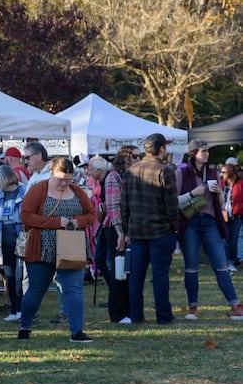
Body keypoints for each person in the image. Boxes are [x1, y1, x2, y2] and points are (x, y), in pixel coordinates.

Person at [15, 157, 97, 343]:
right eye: (61, 179)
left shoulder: (77, 191)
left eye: (68, 179)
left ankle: (77, 332)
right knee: (36, 289)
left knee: (73, 289)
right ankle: (25, 326)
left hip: (70, 246)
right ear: (51, 172)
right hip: (41, 248)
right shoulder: (38, 189)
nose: (64, 183)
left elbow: (91, 214)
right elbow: (26, 216)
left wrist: (80, 221)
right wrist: (55, 222)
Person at [175, 139, 243, 320]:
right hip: (190, 223)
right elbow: (173, 201)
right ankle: (193, 307)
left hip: (210, 222)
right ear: (193, 153)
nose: (207, 153)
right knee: (191, 267)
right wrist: (192, 193)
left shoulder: (212, 172)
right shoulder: (181, 173)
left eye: (207, 151)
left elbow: (219, 204)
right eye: (203, 151)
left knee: (221, 264)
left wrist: (219, 194)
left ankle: (235, 305)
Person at [118, 133, 179, 325]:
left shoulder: (131, 170)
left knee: (137, 275)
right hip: (160, 230)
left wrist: (127, 228)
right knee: (160, 274)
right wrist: (174, 226)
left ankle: (136, 315)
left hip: (137, 230)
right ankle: (163, 316)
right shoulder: (164, 170)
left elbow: (124, 204)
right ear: (161, 149)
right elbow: (171, 204)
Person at [0, 164, 26, 321]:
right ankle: (14, 310)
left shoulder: (25, 192)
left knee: (20, 276)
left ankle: (22, 308)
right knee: (9, 276)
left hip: (22, 238)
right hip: (3, 242)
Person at [98, 151, 131, 323]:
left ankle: (126, 310)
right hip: (116, 230)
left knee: (125, 271)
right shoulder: (114, 177)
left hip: (124, 230)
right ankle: (118, 313)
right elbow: (113, 206)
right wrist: (120, 232)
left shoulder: (127, 177)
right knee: (118, 271)